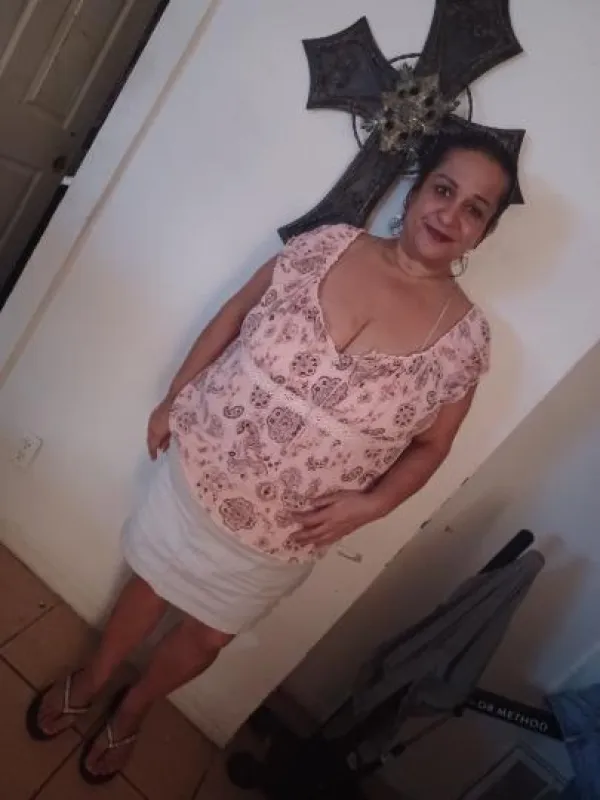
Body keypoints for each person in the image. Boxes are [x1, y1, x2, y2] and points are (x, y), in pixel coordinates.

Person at [26, 130, 517, 783]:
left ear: (484, 232)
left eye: (475, 209)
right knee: (150, 582)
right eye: (444, 190)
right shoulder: (326, 246)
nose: (450, 215)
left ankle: (135, 706)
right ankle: (94, 677)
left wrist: (370, 506)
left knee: (210, 633)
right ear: (416, 187)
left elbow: (433, 446)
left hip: (288, 530)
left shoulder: (464, 342)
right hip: (205, 467)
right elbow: (235, 313)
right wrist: (174, 398)